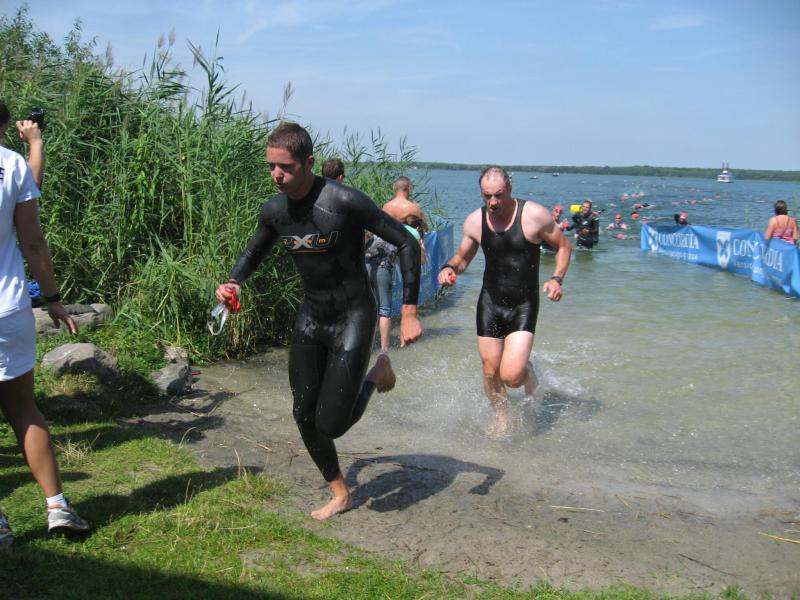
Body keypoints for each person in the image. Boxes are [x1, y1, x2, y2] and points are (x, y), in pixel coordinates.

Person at [216, 123, 422, 520]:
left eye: (286, 167)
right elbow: (253, 252)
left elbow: (406, 241)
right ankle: (341, 493)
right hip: (312, 317)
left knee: (330, 424)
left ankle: (375, 374)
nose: (277, 175)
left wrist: (409, 312)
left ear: (308, 162)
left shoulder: (344, 201)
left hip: (353, 316)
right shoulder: (275, 211)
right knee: (302, 413)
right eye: (271, 167)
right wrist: (233, 282)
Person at [0, 101, 90, 546]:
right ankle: (57, 507)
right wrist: (53, 300)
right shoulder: (13, 164)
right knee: (23, 410)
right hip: (8, 307)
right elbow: (33, 242)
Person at [437, 166, 571, 438]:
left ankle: (527, 370)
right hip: (490, 303)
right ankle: (503, 419)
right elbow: (462, 258)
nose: (493, 202)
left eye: (498, 195)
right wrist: (449, 269)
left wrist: (556, 279)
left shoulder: (533, 215)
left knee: (511, 376)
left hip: (523, 304)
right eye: (487, 196)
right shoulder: (475, 221)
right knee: (490, 371)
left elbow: (563, 246)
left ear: (509, 188)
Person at [365, 176, 427, 353]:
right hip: (386, 258)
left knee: (368, 305)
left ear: (395, 188)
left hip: (369, 255)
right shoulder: (413, 208)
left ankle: (367, 346)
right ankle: (384, 351)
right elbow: (422, 230)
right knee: (384, 308)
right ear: (409, 188)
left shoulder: (386, 206)